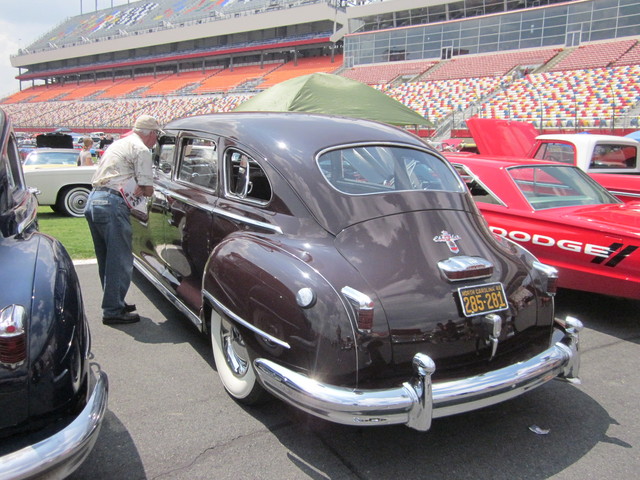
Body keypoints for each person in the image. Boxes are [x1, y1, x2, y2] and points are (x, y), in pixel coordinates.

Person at [84, 114, 162, 325]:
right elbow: (147, 190)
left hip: (95, 198)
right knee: (120, 260)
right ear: (151, 133)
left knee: (107, 258)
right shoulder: (142, 150)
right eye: (156, 135)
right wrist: (143, 186)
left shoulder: (119, 144)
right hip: (113, 203)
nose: (156, 140)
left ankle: (114, 301)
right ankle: (113, 310)